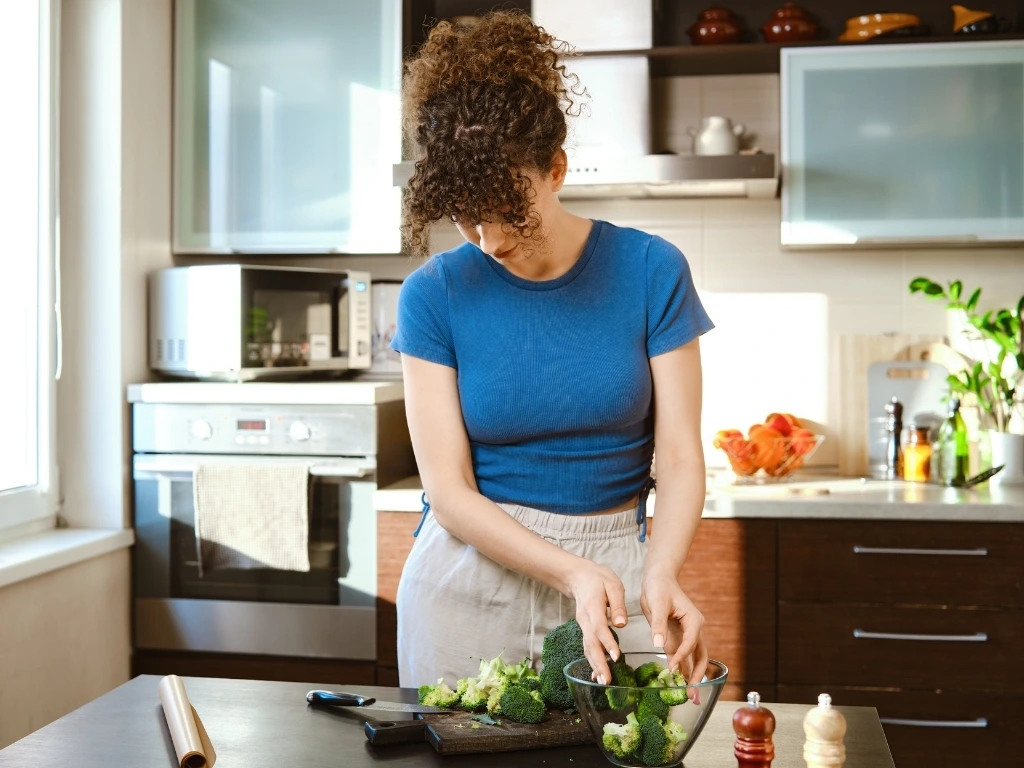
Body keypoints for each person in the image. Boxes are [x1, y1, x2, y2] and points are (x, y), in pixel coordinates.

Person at [390, 11, 714, 690]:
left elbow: (680, 455)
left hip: (618, 574)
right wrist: (567, 569)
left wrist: (661, 569)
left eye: (508, 210)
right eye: (465, 216)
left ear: (557, 169)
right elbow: (447, 492)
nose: (489, 239)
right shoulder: (433, 295)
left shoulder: (652, 270)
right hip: (470, 574)